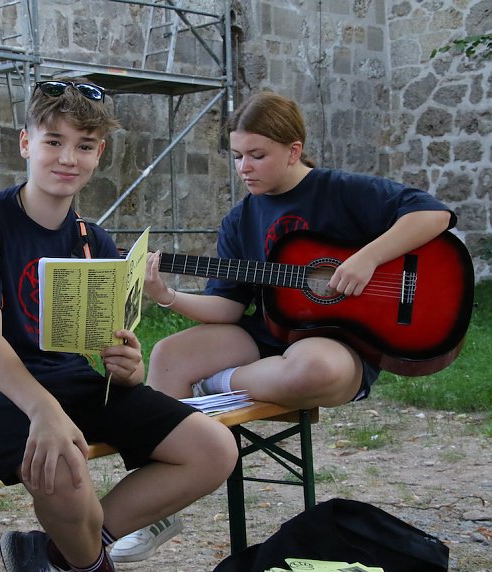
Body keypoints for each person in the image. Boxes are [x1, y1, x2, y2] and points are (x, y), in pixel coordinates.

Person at [111, 90, 456, 561]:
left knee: (315, 368)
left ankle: (219, 384)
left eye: (257, 155)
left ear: (294, 150)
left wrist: (367, 258)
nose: (244, 167)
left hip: (337, 343)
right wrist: (167, 295)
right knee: (171, 353)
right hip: (271, 335)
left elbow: (433, 214)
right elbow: (228, 308)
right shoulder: (240, 220)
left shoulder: (341, 190)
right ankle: (155, 510)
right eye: (237, 156)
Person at [0, 78, 238, 572]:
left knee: (214, 448)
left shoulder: (94, 241)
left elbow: (111, 349)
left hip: (68, 379)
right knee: (63, 463)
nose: (68, 158)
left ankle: (56, 554)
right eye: (54, 141)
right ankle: (89, 563)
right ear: (26, 143)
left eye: (85, 146)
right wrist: (44, 411)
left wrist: (130, 367)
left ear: (99, 154)